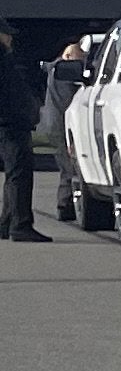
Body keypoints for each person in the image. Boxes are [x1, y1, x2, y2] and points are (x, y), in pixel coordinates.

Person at [0, 25, 46, 243]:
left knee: (13, 175)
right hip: (10, 124)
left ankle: (7, 223)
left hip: (11, 122)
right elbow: (11, 94)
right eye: (6, 34)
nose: (10, 38)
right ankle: (20, 224)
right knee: (19, 174)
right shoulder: (3, 60)